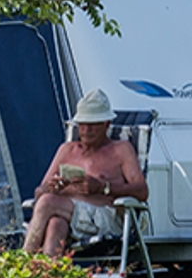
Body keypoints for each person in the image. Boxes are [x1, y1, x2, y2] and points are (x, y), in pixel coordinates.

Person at [22, 89, 147, 257]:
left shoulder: (120, 150)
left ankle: (21, 264)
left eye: (93, 124)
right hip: (67, 213)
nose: (86, 130)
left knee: (47, 203)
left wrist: (104, 187)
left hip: (104, 217)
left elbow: (142, 191)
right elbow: (40, 192)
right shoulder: (67, 150)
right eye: (82, 124)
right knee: (55, 223)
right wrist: (51, 188)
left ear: (107, 124)